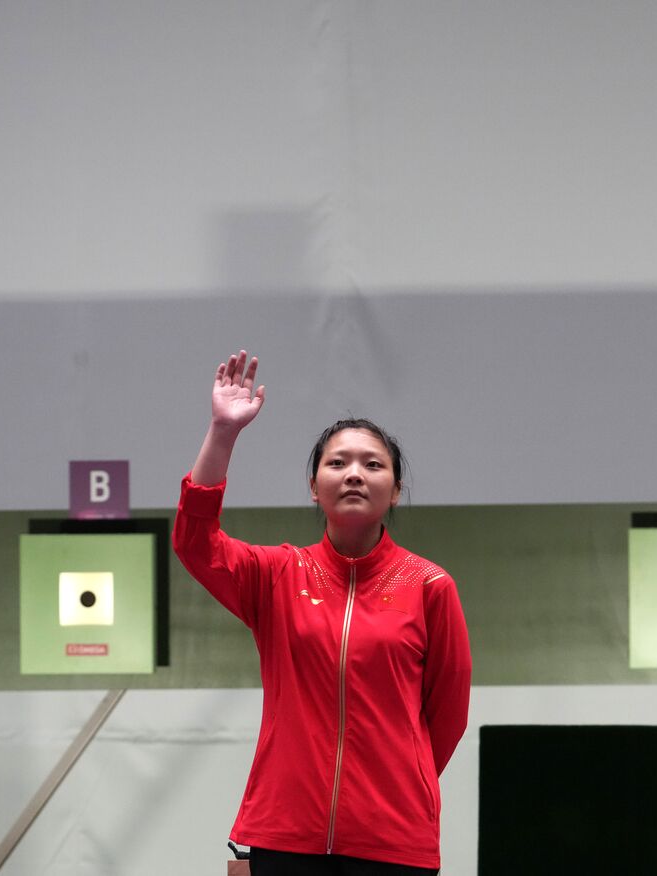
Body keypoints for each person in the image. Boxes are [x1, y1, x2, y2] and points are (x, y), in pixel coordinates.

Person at [173, 350, 472, 875]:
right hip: (281, 836)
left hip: (393, 842)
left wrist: (401, 782)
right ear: (314, 486)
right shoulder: (276, 575)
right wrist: (223, 432)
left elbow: (444, 719)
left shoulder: (430, 586)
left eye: (372, 464)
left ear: (396, 491)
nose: (354, 473)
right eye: (337, 463)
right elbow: (195, 542)